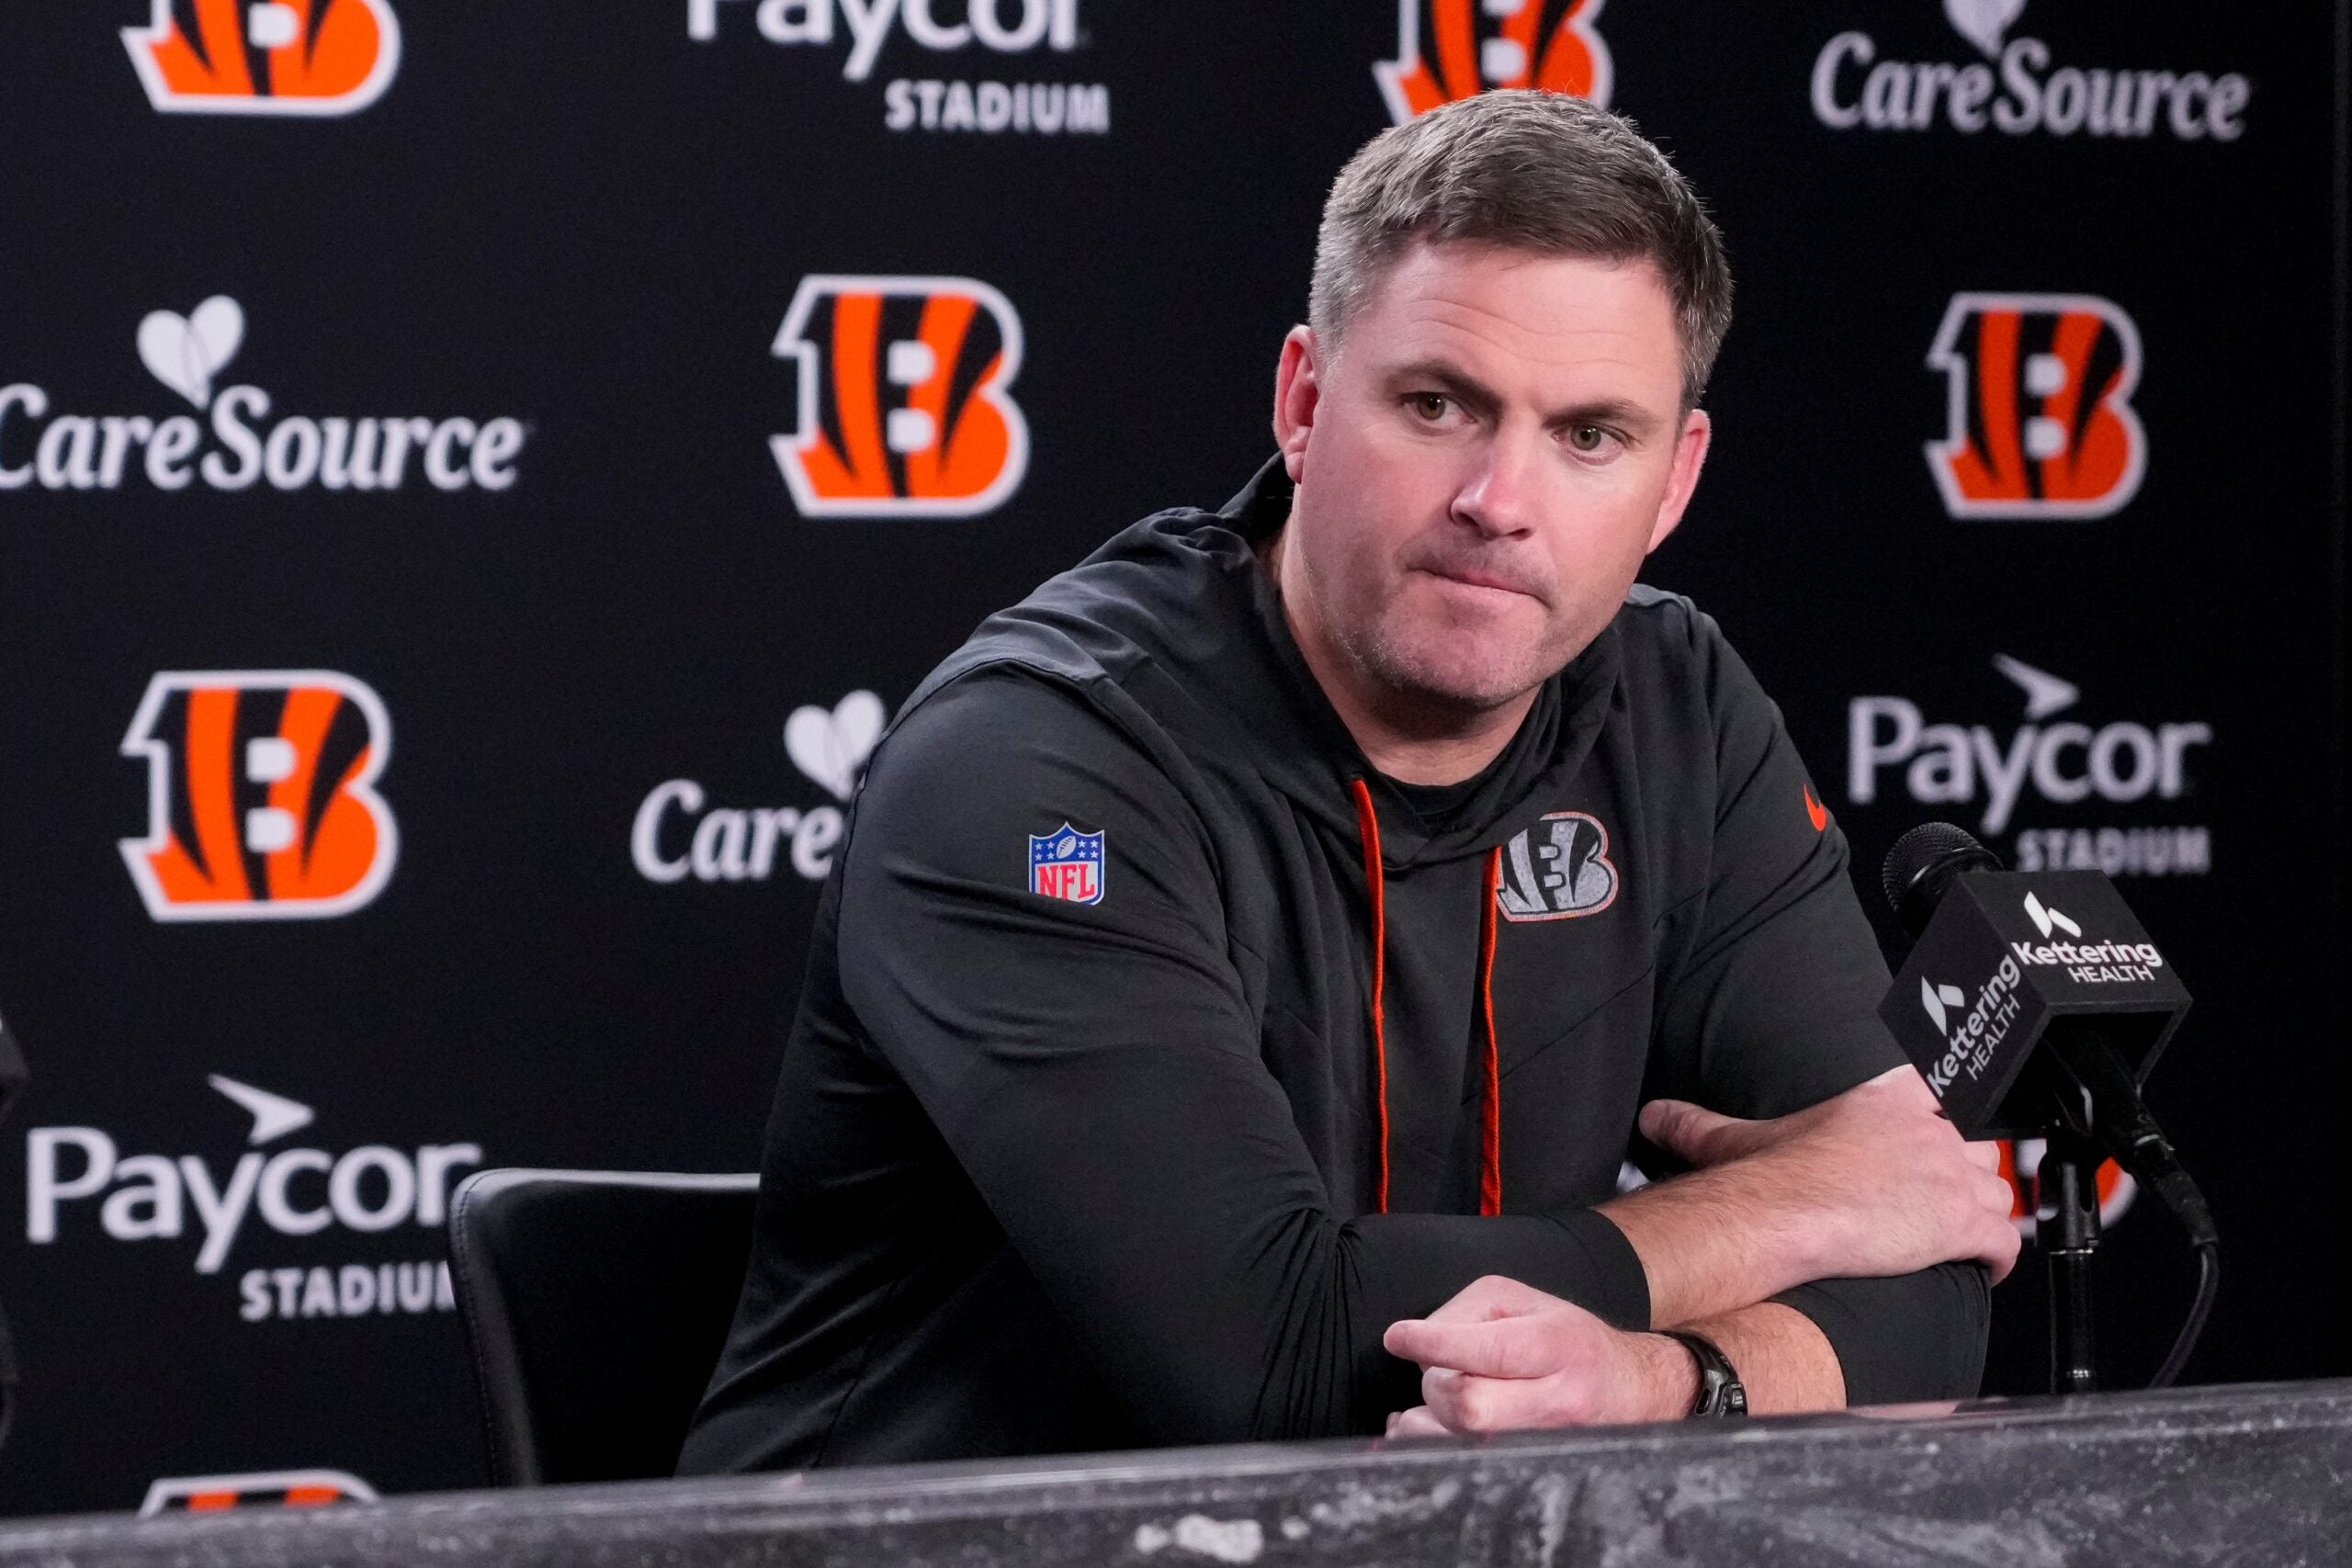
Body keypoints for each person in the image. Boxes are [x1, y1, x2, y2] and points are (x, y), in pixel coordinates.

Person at [677, 89, 2019, 1472]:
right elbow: (1267, 1361)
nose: (1500, 499)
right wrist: (1799, 1209)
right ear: (1306, 402)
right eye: (1440, 404)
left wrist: (1670, 1383)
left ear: (1674, 482)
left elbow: (1931, 1282)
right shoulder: (1038, 763)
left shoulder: (1676, 710)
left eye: (1589, 437)